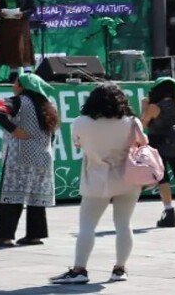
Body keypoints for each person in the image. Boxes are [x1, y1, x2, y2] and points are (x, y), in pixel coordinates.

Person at [50, 83, 147, 284]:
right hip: (128, 176)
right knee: (124, 224)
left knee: (87, 226)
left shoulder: (81, 122)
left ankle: (79, 270)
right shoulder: (132, 121)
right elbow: (142, 143)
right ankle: (120, 269)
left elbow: (78, 145)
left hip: (95, 176)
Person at [0, 74, 58, 248]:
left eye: (16, 82)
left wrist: (13, 129)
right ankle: (34, 235)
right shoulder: (48, 105)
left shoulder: (18, 101)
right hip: (43, 156)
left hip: (20, 155)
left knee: (12, 196)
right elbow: (52, 134)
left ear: (23, 85)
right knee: (35, 197)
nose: (13, 85)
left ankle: (5, 236)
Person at [140, 77, 175, 228]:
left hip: (159, 145)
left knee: (163, 180)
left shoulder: (154, 107)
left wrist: (144, 107)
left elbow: (143, 123)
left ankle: (169, 214)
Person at [0, 0, 37, 81]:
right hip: (6, 23)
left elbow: (32, 8)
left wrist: (23, 13)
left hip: (21, 22)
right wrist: (0, 13)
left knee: (24, 46)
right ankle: (13, 73)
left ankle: (27, 71)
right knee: (10, 46)